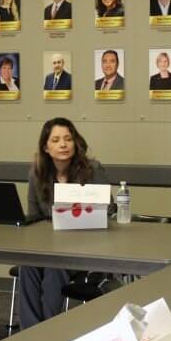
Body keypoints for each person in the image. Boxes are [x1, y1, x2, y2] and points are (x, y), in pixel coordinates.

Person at [20, 118, 110, 329]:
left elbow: (109, 210)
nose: (63, 145)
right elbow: (34, 218)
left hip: (85, 246)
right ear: (46, 146)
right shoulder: (37, 173)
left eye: (68, 139)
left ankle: (47, 331)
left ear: (75, 143)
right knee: (27, 265)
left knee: (54, 268)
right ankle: (29, 332)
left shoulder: (92, 169)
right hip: (48, 245)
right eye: (56, 140)